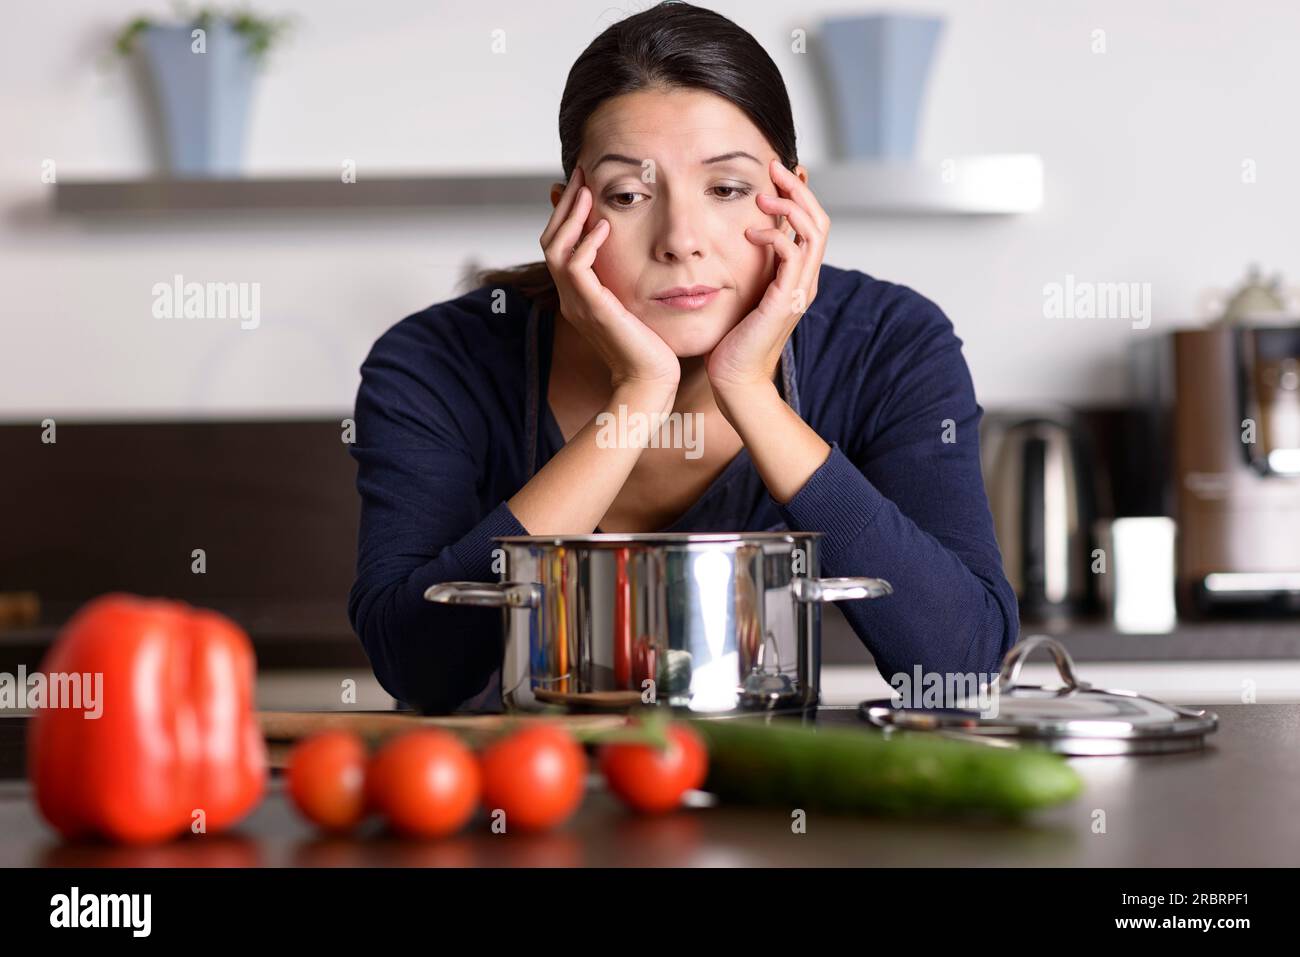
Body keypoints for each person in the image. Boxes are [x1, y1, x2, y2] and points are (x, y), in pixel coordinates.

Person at [347, 1, 1019, 714]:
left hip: (776, 808)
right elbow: (421, 667)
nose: (680, 238)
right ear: (568, 215)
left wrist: (751, 392)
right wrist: (636, 399)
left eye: (727, 188)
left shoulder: (890, 343)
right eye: (630, 195)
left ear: (794, 199)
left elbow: (962, 663)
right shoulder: (433, 363)